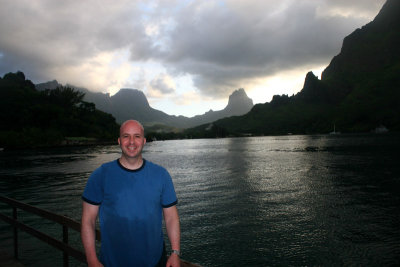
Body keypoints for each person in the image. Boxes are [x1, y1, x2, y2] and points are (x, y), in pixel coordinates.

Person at [81, 119, 181, 267]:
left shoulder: (161, 175)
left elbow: (171, 216)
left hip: (155, 262)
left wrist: (175, 252)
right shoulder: (101, 175)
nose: (131, 141)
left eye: (137, 136)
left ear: (144, 141)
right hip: (111, 263)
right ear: (119, 141)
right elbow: (88, 220)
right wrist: (92, 260)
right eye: (126, 136)